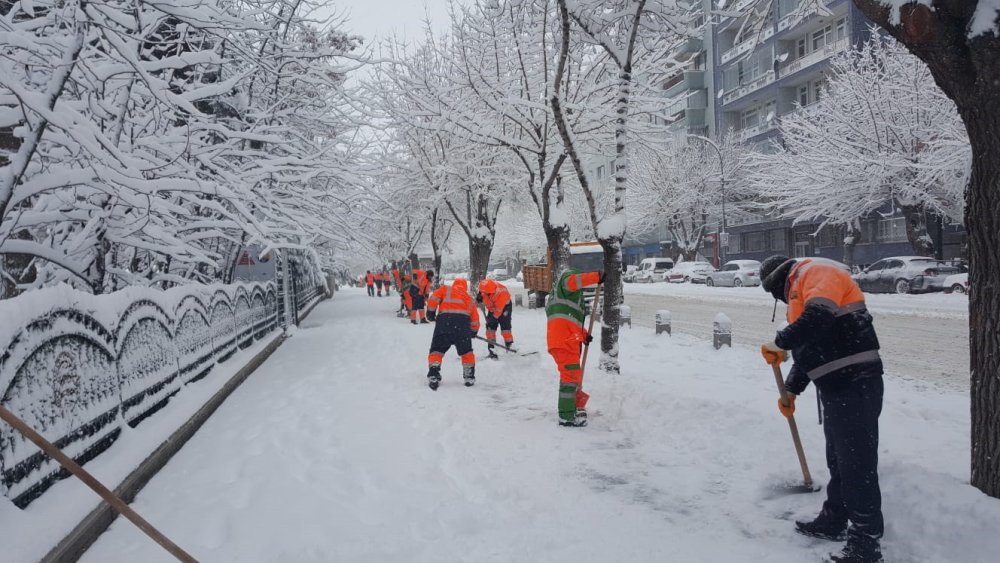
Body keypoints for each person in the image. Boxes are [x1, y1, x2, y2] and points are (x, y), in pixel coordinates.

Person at [758, 255, 884, 563]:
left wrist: (781, 341)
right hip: (838, 386)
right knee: (840, 461)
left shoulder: (817, 272)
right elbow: (810, 347)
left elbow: (819, 317)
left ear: (779, 281)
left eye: (777, 293)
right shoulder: (803, 288)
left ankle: (865, 544)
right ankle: (834, 520)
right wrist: (791, 389)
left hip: (857, 382)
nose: (781, 298)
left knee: (857, 466)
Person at [545, 268, 602, 427]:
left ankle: (572, 406)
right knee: (569, 378)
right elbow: (575, 281)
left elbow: (568, 322)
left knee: (572, 375)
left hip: (565, 340)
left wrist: (584, 335)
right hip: (564, 342)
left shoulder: (560, 298)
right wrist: (596, 275)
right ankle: (567, 416)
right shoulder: (566, 282)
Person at [425, 278, 480, 390]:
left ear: (454, 284)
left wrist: (430, 313)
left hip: (444, 324)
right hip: (462, 327)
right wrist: (473, 331)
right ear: (465, 287)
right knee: (466, 352)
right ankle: (469, 376)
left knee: (437, 350)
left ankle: (434, 374)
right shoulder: (469, 298)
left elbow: (434, 298)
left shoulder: (446, 289)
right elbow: (475, 319)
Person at [477, 278, 514, 359]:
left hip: (505, 307)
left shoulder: (502, 293)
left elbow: (498, 310)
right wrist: (479, 296)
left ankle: (509, 347)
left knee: (505, 328)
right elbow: (481, 291)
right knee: (490, 329)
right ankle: (492, 351)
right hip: (492, 307)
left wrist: (493, 318)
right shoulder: (484, 286)